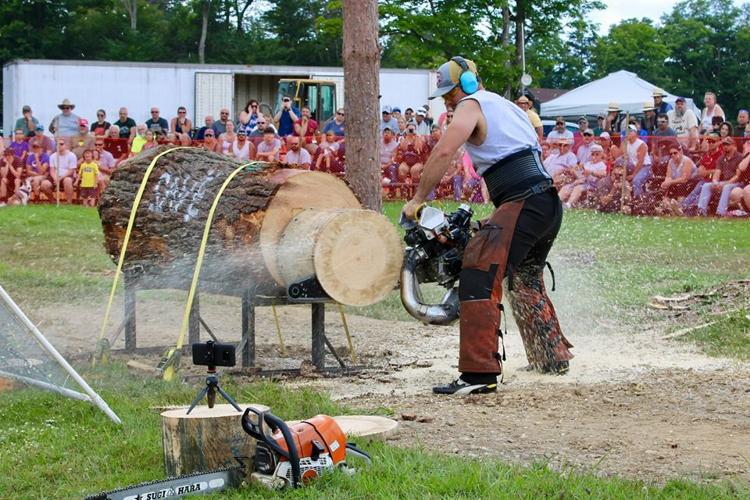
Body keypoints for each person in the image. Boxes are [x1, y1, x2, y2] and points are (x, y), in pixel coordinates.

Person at [402, 56, 573, 395]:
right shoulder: (508, 107)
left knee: (478, 271)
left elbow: (444, 151)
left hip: (524, 199)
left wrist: (417, 199)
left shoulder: (471, 104)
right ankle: (549, 356)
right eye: (446, 95)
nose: (449, 101)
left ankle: (478, 375)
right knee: (524, 279)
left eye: (451, 92)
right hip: (545, 202)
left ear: (466, 83)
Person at [43, 139, 77, 203]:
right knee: (44, 184)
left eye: (61, 144)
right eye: (57, 144)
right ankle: (53, 201)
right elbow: (52, 170)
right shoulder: (52, 156)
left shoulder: (72, 155)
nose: (59, 146)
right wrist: (55, 178)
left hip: (67, 176)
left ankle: (69, 202)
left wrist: (60, 178)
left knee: (67, 180)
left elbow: (71, 170)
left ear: (65, 145)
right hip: (55, 176)